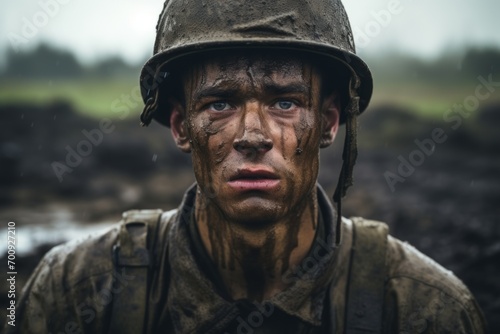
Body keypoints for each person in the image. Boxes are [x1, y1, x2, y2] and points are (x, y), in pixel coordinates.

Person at [7, 0, 486, 333]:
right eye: (219, 103)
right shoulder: (77, 293)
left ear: (329, 121)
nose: (252, 135)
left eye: (284, 102)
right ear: (179, 126)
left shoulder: (421, 309)